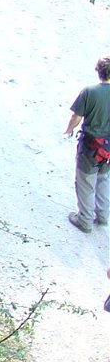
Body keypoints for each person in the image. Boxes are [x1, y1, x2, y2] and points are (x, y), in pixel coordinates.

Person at [62, 56, 110, 233]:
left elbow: (76, 117)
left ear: (98, 71)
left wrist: (68, 130)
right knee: (103, 179)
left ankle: (85, 220)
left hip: (90, 146)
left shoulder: (89, 92)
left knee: (85, 182)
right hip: (108, 147)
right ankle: (102, 216)